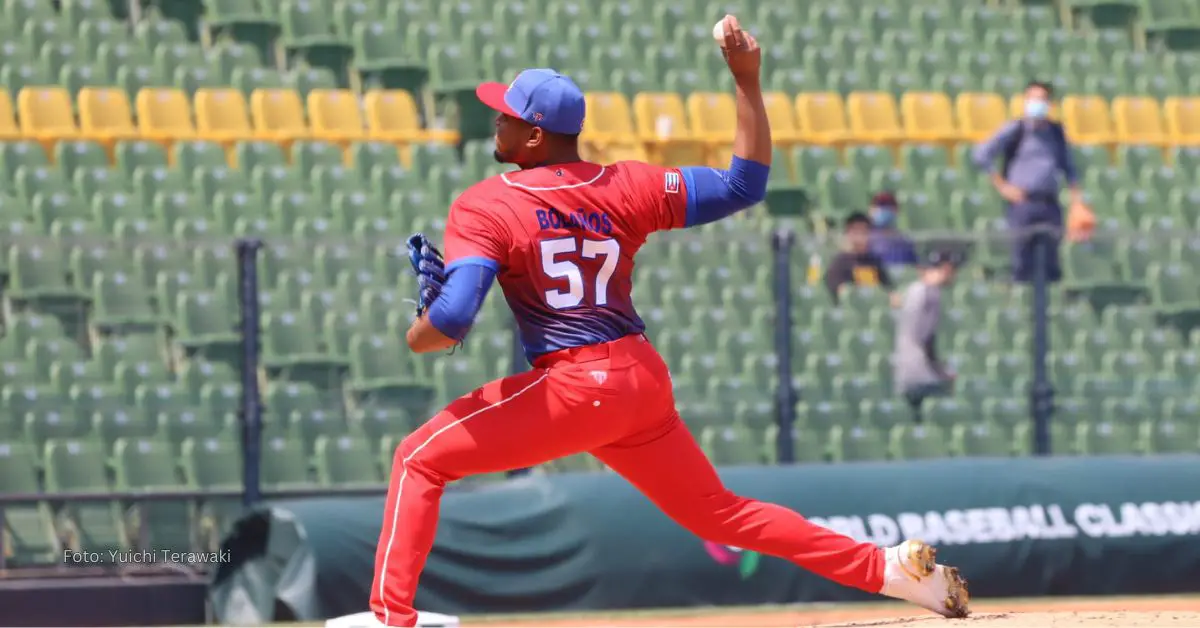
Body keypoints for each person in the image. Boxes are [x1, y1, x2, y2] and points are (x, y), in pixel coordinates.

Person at [368, 15, 968, 627]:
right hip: (638, 379)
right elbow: (744, 183)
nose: (496, 120)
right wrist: (747, 83)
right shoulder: (628, 184)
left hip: (576, 386)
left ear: (533, 138)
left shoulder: (487, 203)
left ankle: (391, 618)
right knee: (722, 514)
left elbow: (451, 320)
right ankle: (890, 571)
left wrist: (420, 324)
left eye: (507, 116)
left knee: (419, 459)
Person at [971, 80, 1092, 284]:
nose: (1037, 103)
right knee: (1022, 260)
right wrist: (1003, 186)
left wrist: (1077, 202)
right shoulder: (1016, 128)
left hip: (1049, 203)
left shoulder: (1055, 132)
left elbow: (1069, 168)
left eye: (1042, 99)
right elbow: (982, 155)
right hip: (1023, 204)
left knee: (1051, 263)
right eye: (1033, 99)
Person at [893, 250, 961, 422]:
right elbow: (925, 338)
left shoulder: (914, 290)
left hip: (906, 373)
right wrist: (942, 371)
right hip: (922, 375)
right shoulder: (930, 293)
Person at [823, 211, 894, 304]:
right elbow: (841, 292)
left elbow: (888, 289)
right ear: (848, 234)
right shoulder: (839, 263)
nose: (862, 237)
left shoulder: (875, 261)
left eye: (865, 232)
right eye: (857, 232)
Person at [867, 191, 919, 266]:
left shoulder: (904, 240)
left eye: (888, 206)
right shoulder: (864, 239)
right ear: (871, 210)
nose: (883, 209)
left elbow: (913, 267)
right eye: (880, 205)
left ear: (896, 210)